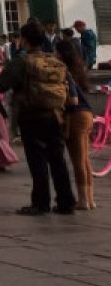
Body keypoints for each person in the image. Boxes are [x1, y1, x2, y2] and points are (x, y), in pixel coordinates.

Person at [0, 20, 76, 215]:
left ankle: (40, 203)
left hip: (31, 115)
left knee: (37, 160)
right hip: (55, 114)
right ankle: (66, 202)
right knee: (58, 159)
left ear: (23, 40)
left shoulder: (22, 60)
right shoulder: (53, 60)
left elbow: (0, 84)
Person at [57, 38, 96, 210]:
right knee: (85, 160)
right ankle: (90, 199)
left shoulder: (64, 72)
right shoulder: (77, 69)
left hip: (76, 116)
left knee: (78, 160)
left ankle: (83, 200)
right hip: (86, 115)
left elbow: (72, 99)